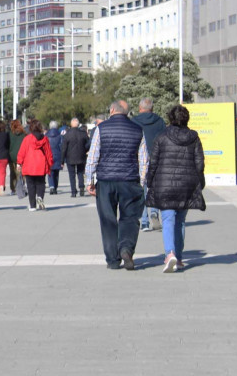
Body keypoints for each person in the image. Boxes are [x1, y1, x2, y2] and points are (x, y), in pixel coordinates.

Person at [86, 100, 148, 271]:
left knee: (108, 220)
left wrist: (89, 181)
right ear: (127, 112)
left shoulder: (101, 128)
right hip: (129, 180)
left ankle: (113, 259)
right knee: (130, 218)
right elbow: (144, 160)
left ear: (112, 109)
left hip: (106, 181)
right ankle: (126, 248)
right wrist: (141, 182)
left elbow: (93, 156)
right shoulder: (137, 129)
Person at [146, 105, 205, 273]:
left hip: (165, 185)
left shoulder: (161, 136)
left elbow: (154, 162)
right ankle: (178, 258)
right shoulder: (194, 137)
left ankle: (169, 254)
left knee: (168, 220)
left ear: (170, 119)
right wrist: (200, 182)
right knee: (180, 221)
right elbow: (199, 162)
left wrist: (149, 181)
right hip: (187, 185)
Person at [132, 97, 166, 232]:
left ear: (140, 109)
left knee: (143, 189)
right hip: (157, 158)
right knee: (155, 188)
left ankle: (144, 221)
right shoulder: (160, 121)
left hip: (139, 159)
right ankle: (154, 212)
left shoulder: (134, 121)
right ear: (152, 109)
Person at [17, 119, 54, 211]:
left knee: (31, 185)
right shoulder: (44, 139)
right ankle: (40, 196)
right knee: (41, 183)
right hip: (41, 164)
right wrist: (50, 163)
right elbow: (48, 152)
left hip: (29, 165)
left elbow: (22, 152)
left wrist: (19, 163)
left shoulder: (27, 139)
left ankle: (32, 205)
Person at [61, 118, 90, 197]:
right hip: (81, 155)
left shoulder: (67, 134)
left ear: (71, 124)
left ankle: (73, 191)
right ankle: (81, 188)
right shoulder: (83, 133)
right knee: (80, 172)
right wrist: (85, 150)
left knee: (71, 174)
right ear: (78, 124)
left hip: (70, 157)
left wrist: (62, 161)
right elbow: (88, 144)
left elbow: (64, 148)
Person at [8, 119, 26, 196]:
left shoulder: (9, 134)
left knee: (12, 173)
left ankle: (13, 188)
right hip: (21, 156)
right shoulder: (24, 134)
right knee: (21, 173)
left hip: (11, 156)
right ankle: (21, 187)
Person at [45, 120, 63, 195]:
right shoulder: (60, 136)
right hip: (58, 155)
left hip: (49, 155)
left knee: (50, 172)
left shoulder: (46, 136)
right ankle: (55, 187)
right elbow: (61, 146)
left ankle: (51, 186)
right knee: (56, 172)